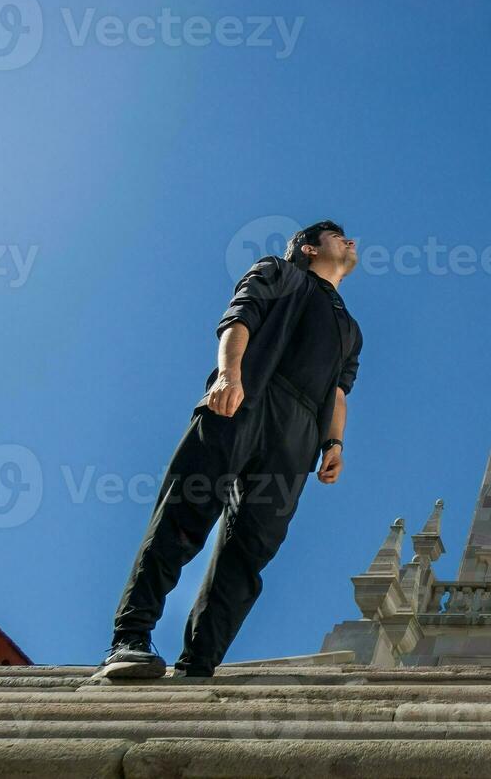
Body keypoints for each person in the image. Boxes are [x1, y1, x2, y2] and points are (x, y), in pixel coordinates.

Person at [97, 220, 362, 679]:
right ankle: (131, 637)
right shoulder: (279, 272)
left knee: (250, 552)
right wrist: (228, 375)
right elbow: (239, 318)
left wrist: (333, 443)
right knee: (185, 514)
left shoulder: (351, 329)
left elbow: (339, 391)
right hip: (246, 395)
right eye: (337, 235)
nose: (349, 241)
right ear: (308, 248)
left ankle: (198, 665)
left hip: (297, 435)